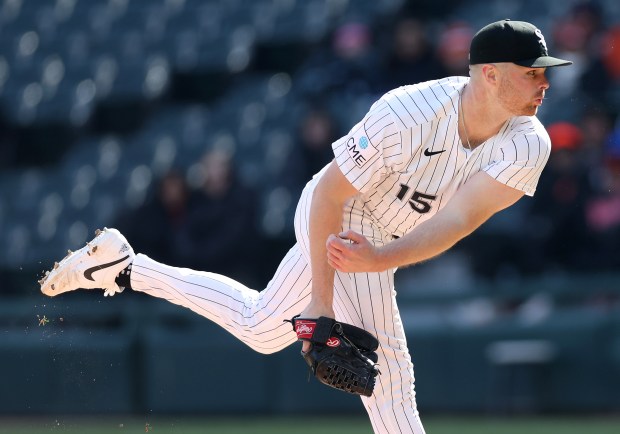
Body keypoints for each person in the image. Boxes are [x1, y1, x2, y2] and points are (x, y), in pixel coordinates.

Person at [39, 20, 572, 434]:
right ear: (489, 74)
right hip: (339, 211)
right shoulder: (410, 111)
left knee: (260, 328)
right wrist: (321, 299)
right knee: (387, 371)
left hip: (387, 237)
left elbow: (457, 219)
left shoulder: (528, 142)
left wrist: (381, 259)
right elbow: (330, 193)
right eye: (532, 72)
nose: (544, 82)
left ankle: (126, 266)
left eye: (545, 71)